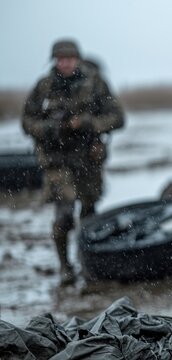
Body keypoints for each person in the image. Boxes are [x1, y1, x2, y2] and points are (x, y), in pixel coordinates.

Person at [22, 39, 124, 285]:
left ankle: (88, 262)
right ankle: (65, 267)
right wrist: (51, 128)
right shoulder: (44, 87)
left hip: (88, 158)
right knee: (64, 214)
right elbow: (27, 121)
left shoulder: (95, 83)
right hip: (57, 161)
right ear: (54, 61)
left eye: (69, 59)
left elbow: (117, 118)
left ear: (78, 59)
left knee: (89, 214)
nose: (65, 63)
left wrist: (87, 123)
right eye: (60, 59)